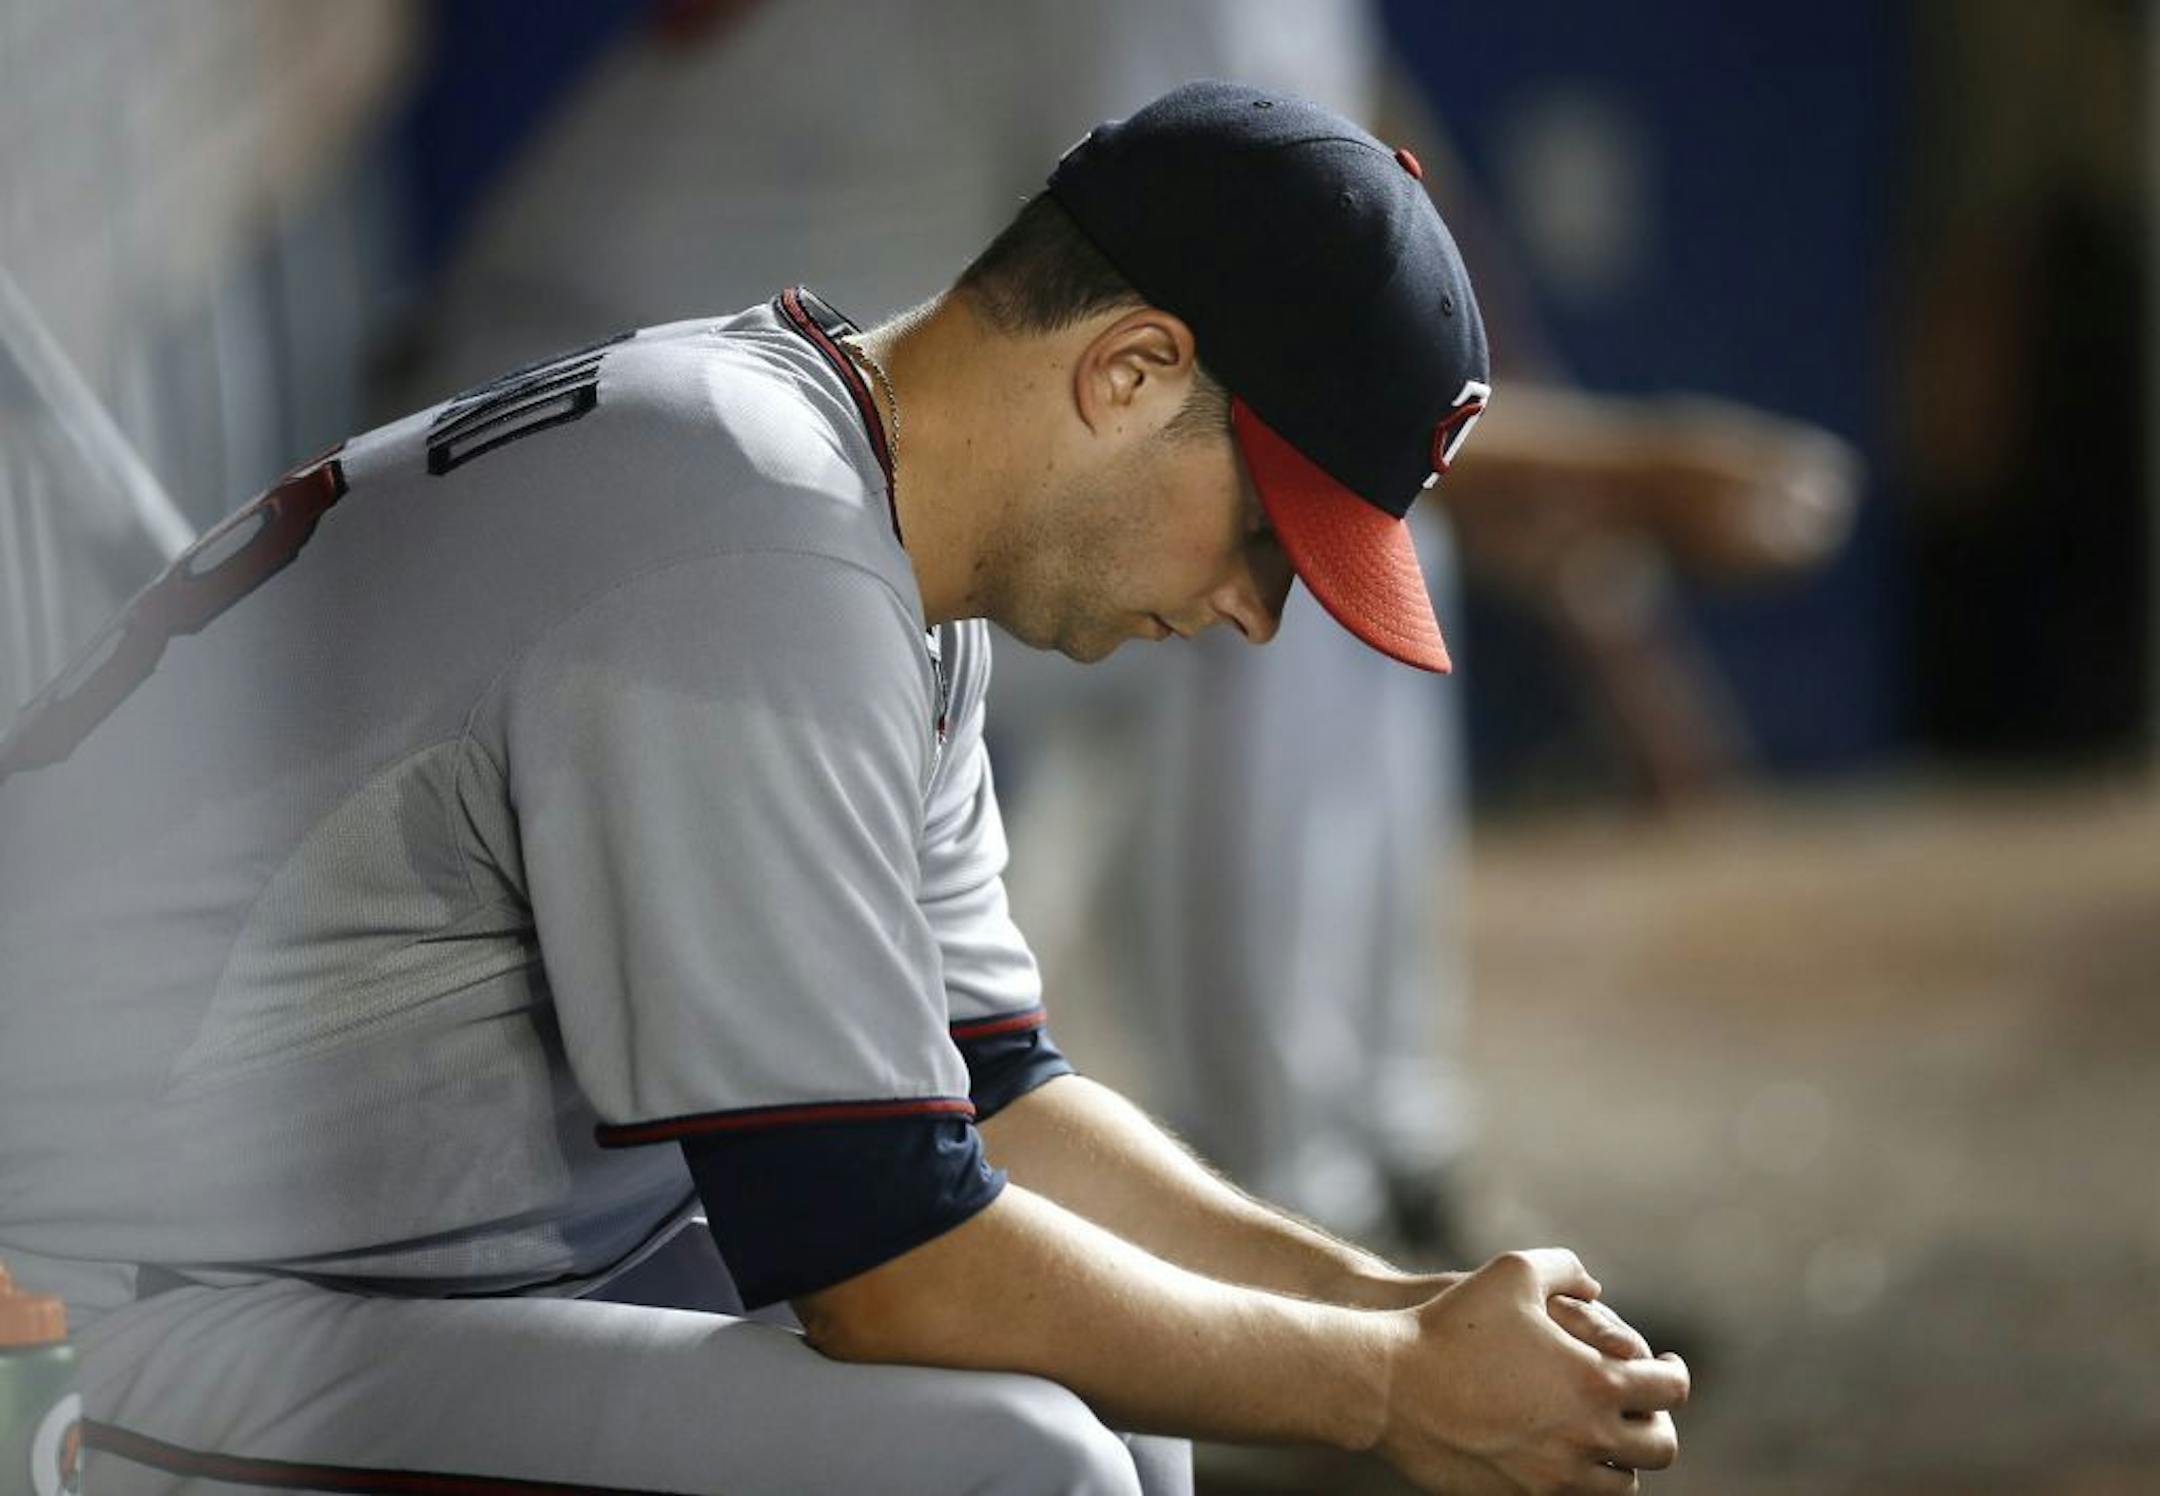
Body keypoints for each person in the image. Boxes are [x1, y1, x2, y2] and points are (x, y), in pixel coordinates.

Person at [0, 83, 1687, 1494]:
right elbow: (887, 1261)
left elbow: (991, 1099)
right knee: (1019, 1468)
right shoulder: (742, 533)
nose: (1255, 612)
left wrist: (1394, 1304)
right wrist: (1384, 1388)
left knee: (1112, 1403)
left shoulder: (829, 502)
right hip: (95, 1311)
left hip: (342, 1255)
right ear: (1129, 372)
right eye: (1268, 535)